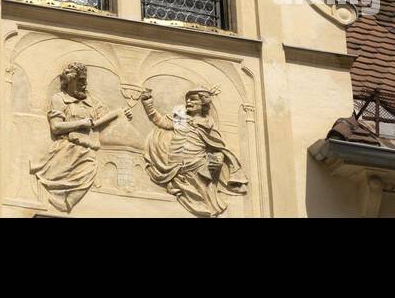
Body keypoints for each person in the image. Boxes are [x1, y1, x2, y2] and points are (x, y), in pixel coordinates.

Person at [31, 62, 133, 212]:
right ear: (70, 81)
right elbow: (56, 127)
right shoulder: (59, 99)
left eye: (85, 81)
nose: (84, 85)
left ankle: (66, 204)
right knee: (57, 172)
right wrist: (81, 123)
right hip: (65, 148)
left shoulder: (92, 102)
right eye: (80, 81)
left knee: (90, 167)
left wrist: (123, 115)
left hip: (87, 150)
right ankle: (57, 199)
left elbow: (104, 118)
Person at [139, 86, 248, 217]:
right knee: (188, 191)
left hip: (197, 165)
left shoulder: (207, 122)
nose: (188, 102)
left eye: (193, 99)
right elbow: (161, 122)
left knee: (203, 192)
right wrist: (147, 102)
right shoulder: (181, 117)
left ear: (203, 102)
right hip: (175, 165)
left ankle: (207, 208)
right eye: (187, 100)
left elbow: (217, 147)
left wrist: (218, 161)